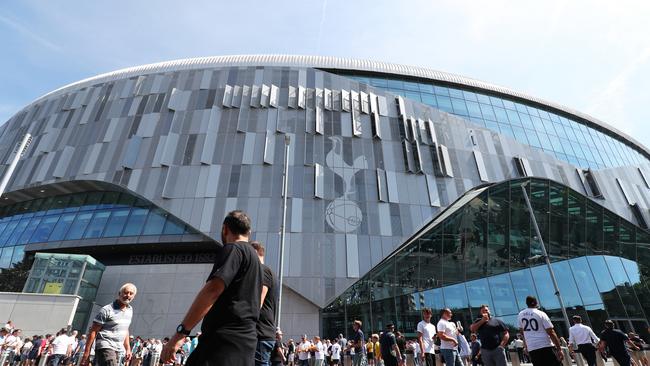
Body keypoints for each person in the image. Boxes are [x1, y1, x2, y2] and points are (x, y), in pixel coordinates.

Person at [160, 211, 263, 366]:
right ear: (249, 232)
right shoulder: (256, 261)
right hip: (245, 343)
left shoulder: (234, 249)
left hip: (222, 343)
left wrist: (181, 333)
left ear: (225, 229)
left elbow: (212, 291)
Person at [81, 283, 136, 366]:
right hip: (105, 346)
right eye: (125, 292)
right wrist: (86, 353)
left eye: (131, 293)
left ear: (133, 296)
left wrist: (128, 349)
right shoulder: (107, 310)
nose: (128, 295)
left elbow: (125, 329)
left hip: (117, 348)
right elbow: (93, 331)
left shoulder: (130, 310)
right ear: (119, 293)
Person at [517, 296, 563, 366]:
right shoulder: (541, 313)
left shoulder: (520, 315)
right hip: (545, 346)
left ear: (526, 303)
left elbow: (522, 333)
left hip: (532, 348)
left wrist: (526, 346)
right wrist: (559, 349)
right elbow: (551, 332)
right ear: (536, 302)